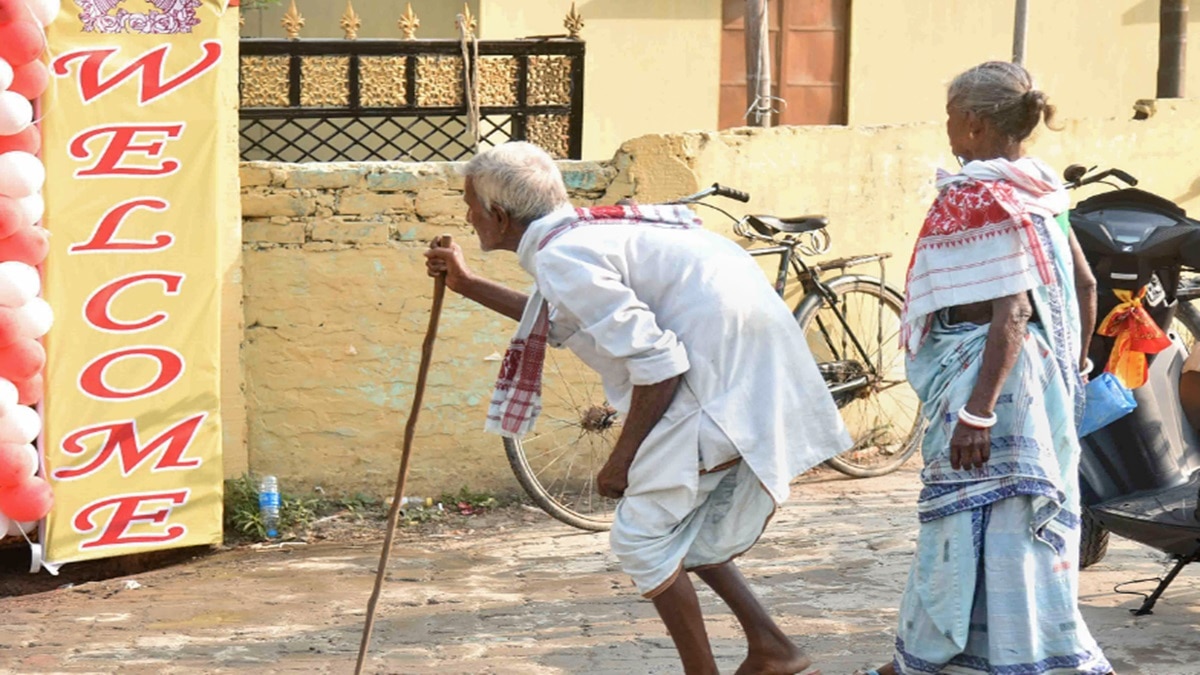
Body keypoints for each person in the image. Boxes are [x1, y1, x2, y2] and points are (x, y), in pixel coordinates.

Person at [424, 141, 851, 675]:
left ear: (499, 216)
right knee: (678, 530)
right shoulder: (584, 236)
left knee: (642, 540)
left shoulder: (564, 253)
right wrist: (464, 283)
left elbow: (660, 364)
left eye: (470, 205)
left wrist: (620, 460)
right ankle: (773, 649)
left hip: (717, 392)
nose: (467, 216)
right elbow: (558, 322)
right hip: (745, 381)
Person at [854, 62, 1114, 675]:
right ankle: (998, 656)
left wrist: (979, 410)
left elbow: (1014, 311)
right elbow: (1083, 284)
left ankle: (955, 659)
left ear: (972, 123)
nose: (947, 130)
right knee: (1014, 527)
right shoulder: (1040, 188)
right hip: (1036, 384)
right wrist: (1066, 370)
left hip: (990, 387)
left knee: (966, 528)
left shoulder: (980, 196)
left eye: (950, 118)